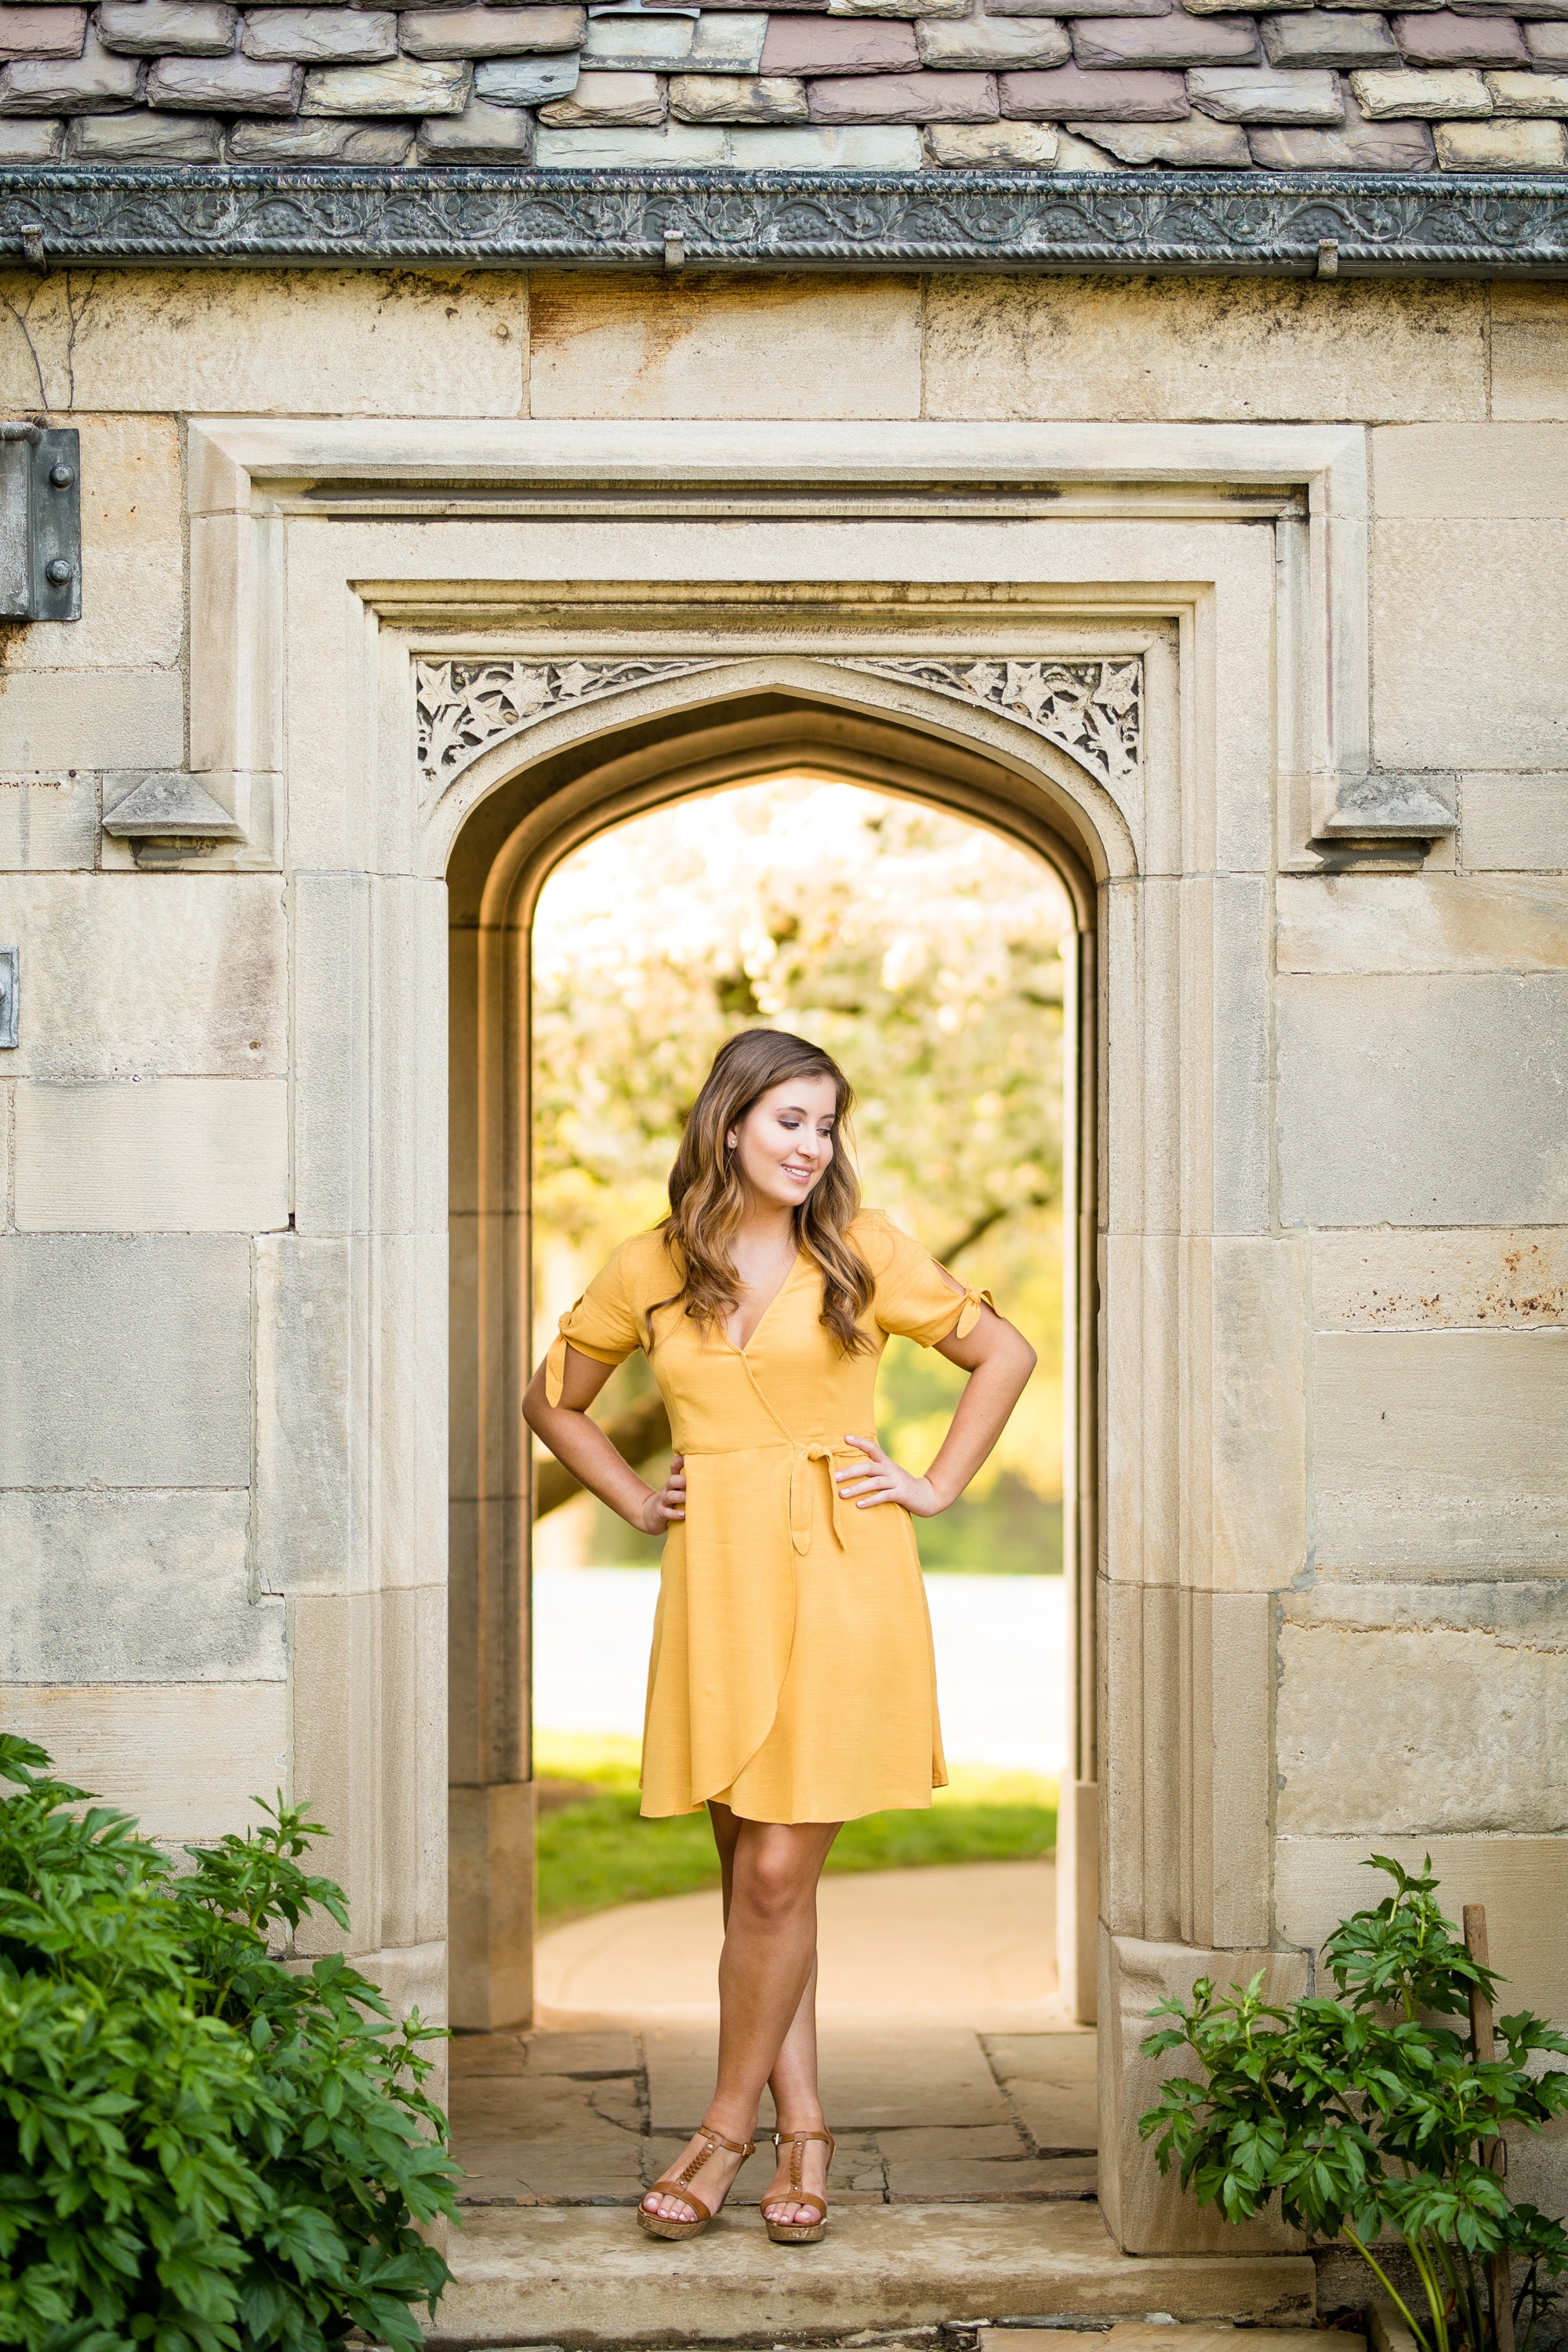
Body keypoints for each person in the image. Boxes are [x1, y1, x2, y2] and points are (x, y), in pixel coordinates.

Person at [523, 1028, 1037, 2247]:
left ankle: (720, 2132)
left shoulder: (862, 1251)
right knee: (758, 1887)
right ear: (731, 1123)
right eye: (790, 1121)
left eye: (825, 1125)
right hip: (716, 1585)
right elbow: (553, 1396)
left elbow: (1004, 1354)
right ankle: (807, 2129)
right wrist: (637, 1499)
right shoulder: (646, 1264)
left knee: (770, 1877)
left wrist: (936, 1484)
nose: (813, 1146)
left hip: (846, 1573)